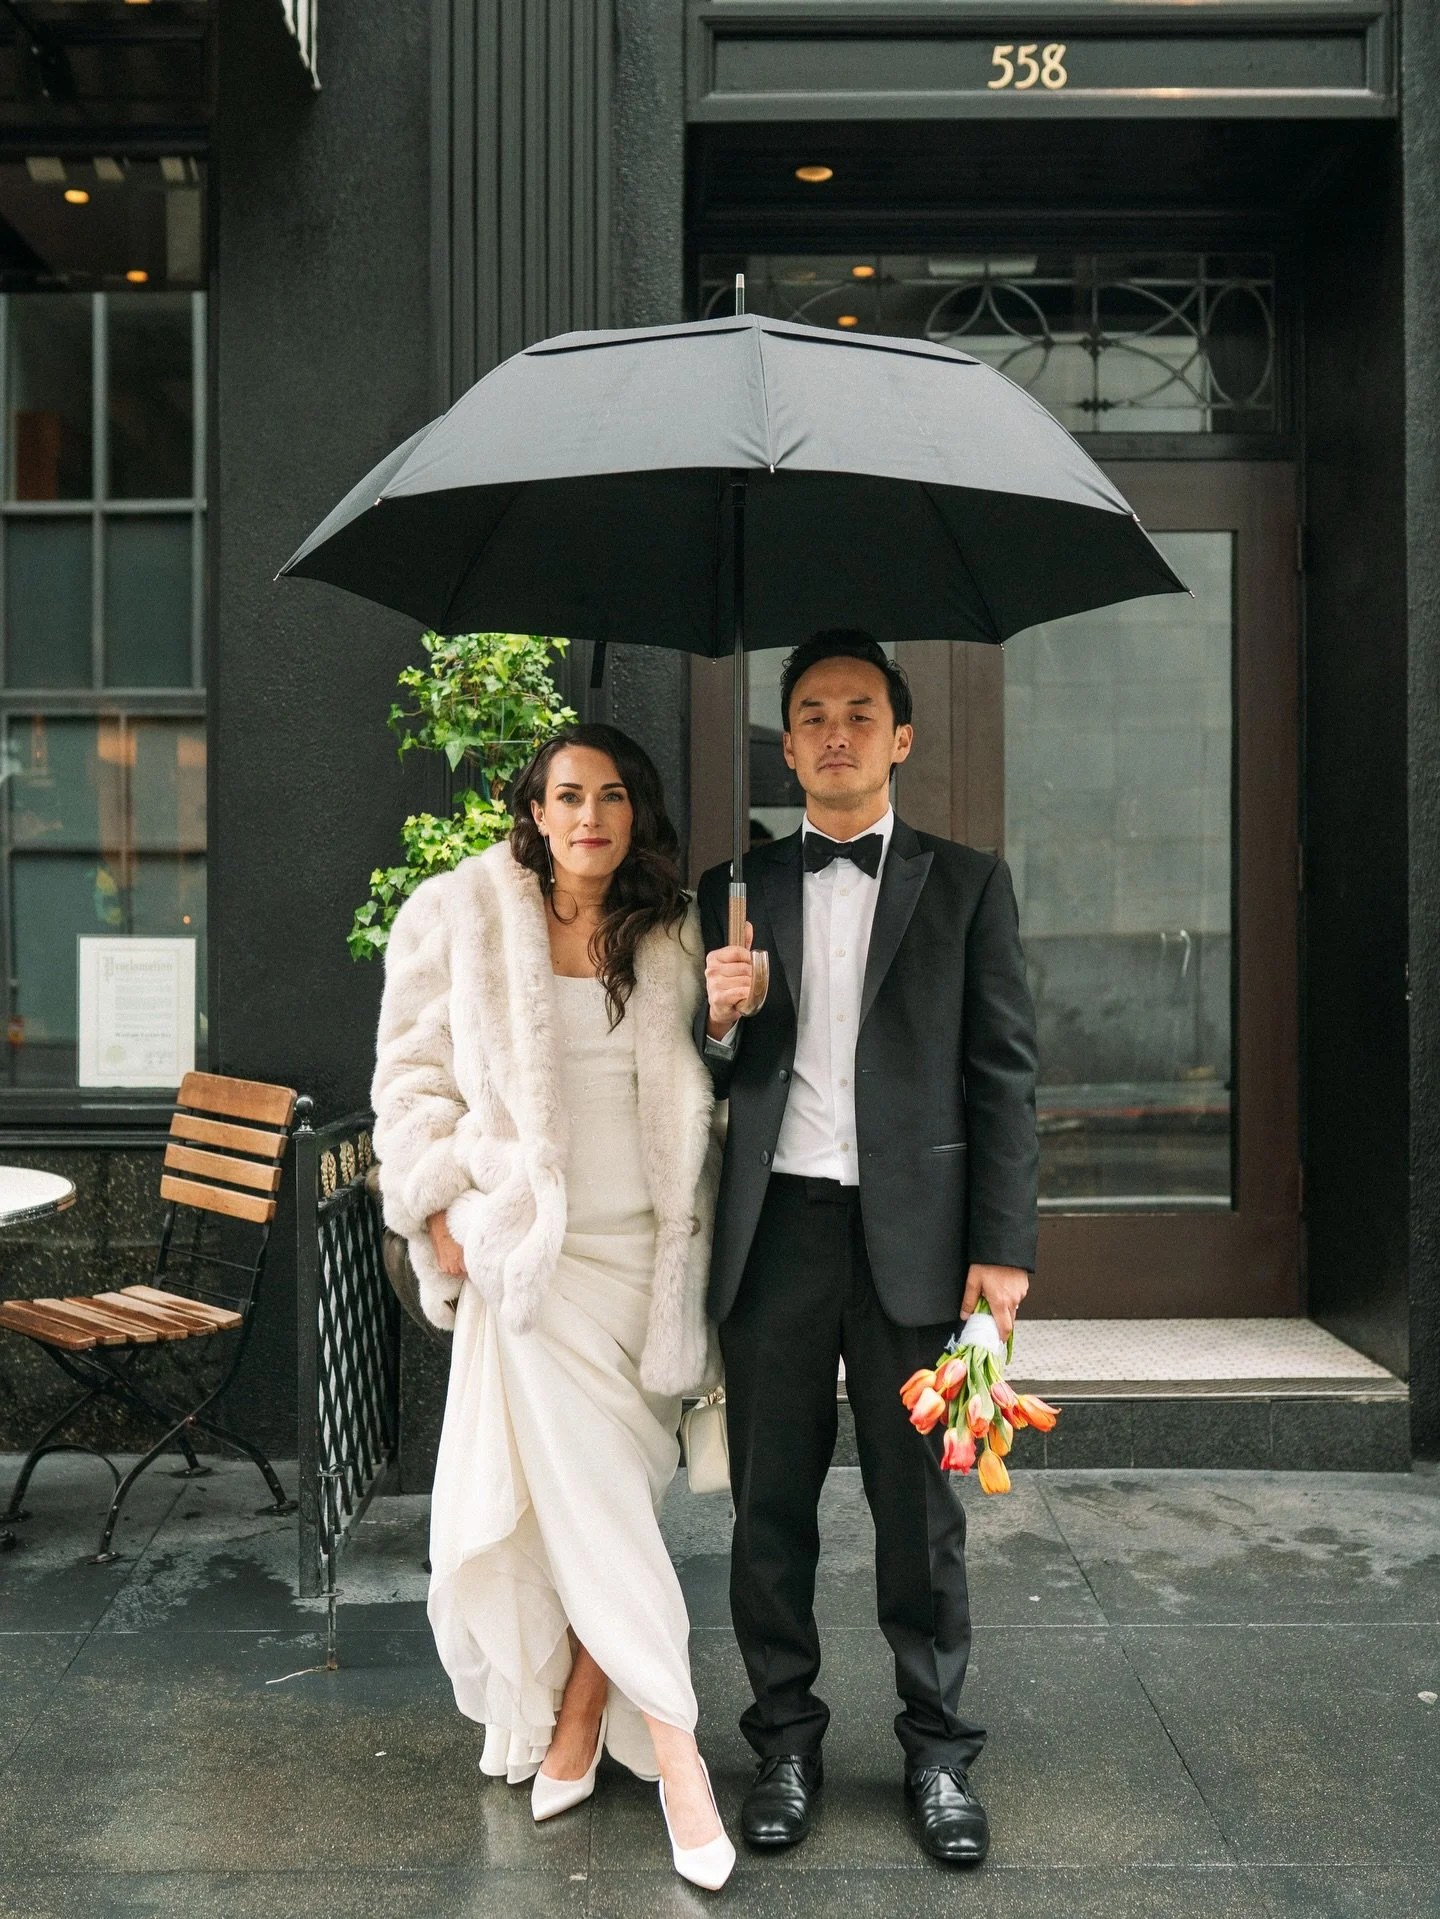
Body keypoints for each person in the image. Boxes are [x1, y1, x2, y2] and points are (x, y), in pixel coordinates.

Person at [373, 722, 735, 1892]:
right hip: (536, 1261)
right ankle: (680, 1756)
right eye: (569, 794)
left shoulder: (673, 926)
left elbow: (712, 1090)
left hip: (650, 1262)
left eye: (614, 796)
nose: (591, 815)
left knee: (613, 1498)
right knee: (599, 1511)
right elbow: (411, 1077)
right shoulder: (462, 913)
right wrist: (439, 1212)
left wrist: (730, 1023)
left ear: (637, 814)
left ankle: (580, 1719)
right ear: (533, 808)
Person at [697, 631, 1038, 1867]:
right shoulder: (731, 885)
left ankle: (939, 1752)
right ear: (785, 745)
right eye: (810, 714)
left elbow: (1005, 1075)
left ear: (899, 735)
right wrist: (721, 1021)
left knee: (920, 1511)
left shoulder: (967, 883)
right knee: (768, 1509)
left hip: (919, 1241)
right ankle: (783, 1739)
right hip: (775, 1233)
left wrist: (1003, 1253)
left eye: (859, 711)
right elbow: (700, 1070)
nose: (835, 732)